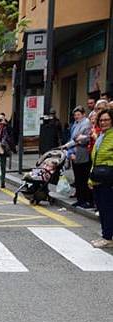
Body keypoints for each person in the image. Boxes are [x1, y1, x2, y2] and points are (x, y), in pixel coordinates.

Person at [88, 108, 113, 248]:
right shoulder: (101, 136)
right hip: (98, 176)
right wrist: (91, 179)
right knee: (102, 208)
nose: (103, 122)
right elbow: (95, 159)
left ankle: (108, 237)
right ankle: (106, 235)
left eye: (106, 120)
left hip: (108, 177)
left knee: (107, 208)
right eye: (101, 120)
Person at [67, 106, 94, 209]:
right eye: (75, 115)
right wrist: (69, 151)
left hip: (82, 155)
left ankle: (86, 200)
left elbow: (84, 139)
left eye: (78, 115)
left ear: (83, 114)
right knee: (78, 179)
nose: (76, 117)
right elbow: (74, 138)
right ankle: (80, 199)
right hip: (75, 153)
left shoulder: (86, 123)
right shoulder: (76, 124)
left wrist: (77, 140)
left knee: (83, 178)